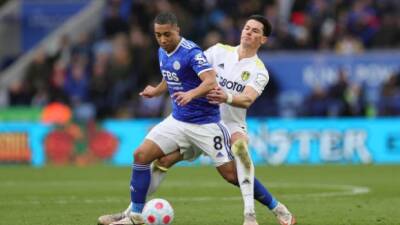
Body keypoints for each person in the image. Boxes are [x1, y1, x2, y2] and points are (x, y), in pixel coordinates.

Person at [99, 15, 295, 225]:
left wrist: (226, 97)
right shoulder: (219, 51)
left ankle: (257, 214)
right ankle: (131, 213)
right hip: (196, 117)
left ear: (263, 40)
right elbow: (183, 69)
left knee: (238, 153)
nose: (249, 32)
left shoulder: (259, 70)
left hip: (228, 123)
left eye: (255, 31)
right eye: (247, 27)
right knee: (162, 161)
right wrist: (158, 90)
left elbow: (247, 99)